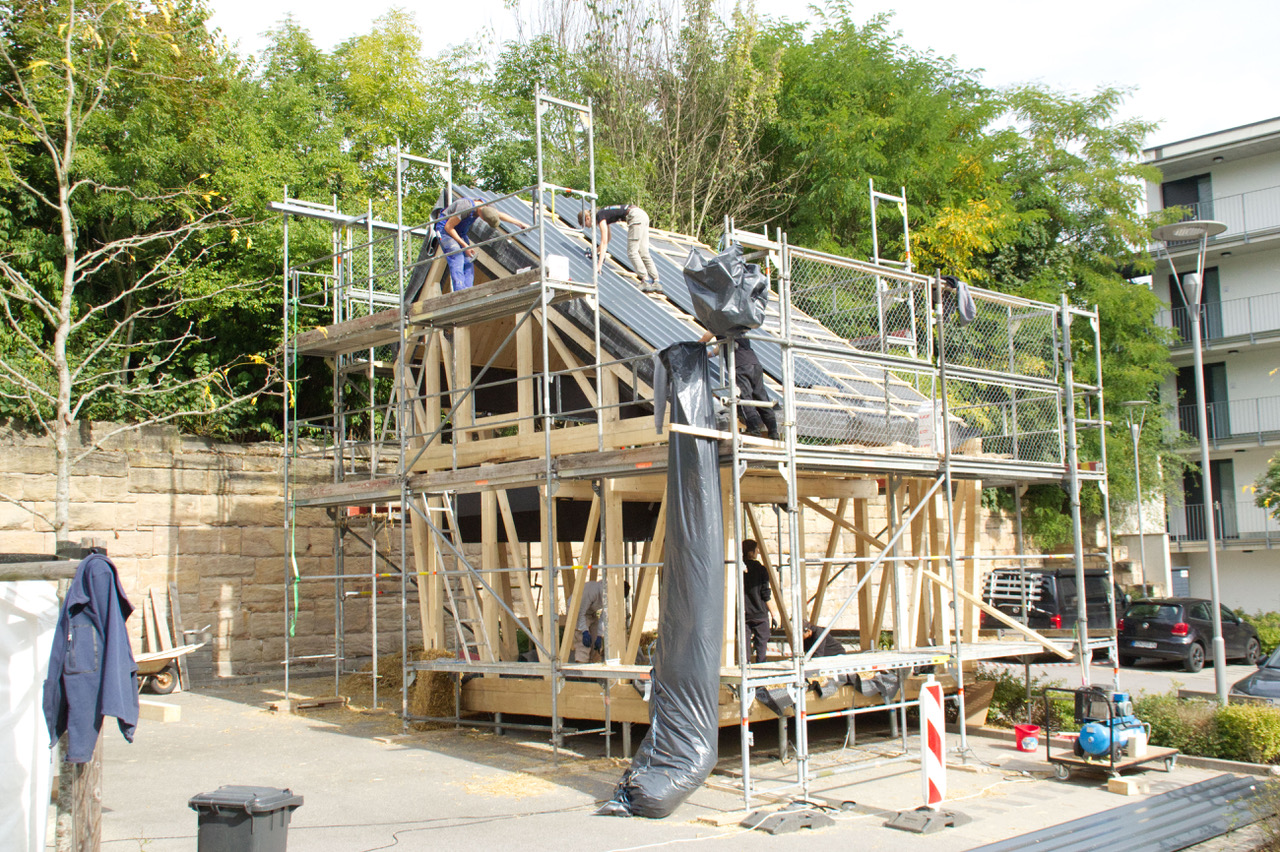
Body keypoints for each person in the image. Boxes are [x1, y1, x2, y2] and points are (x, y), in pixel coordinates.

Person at [435, 197, 530, 292]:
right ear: (480, 214)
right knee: (457, 254)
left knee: (468, 260)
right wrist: (464, 245)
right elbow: (449, 227)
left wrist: (520, 223)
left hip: (459, 232)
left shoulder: (488, 206)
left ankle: (468, 291)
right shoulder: (465, 207)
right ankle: (459, 291)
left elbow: (499, 214)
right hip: (445, 229)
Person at [699, 330, 779, 440]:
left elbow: (706, 337)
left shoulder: (717, 322)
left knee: (745, 397)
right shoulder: (737, 321)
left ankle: (754, 431)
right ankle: (774, 433)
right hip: (754, 363)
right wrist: (710, 354)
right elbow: (723, 346)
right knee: (761, 397)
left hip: (739, 364)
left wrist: (694, 349)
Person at [578, 204, 661, 293]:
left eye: (586, 225)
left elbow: (604, 241)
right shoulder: (603, 213)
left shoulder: (600, 216)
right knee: (643, 251)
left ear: (587, 218)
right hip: (642, 215)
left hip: (635, 216)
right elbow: (609, 237)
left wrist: (599, 265)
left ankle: (645, 280)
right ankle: (656, 281)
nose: (588, 227)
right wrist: (594, 252)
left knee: (632, 252)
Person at [742, 539, 773, 663]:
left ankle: (745, 667)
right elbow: (765, 593)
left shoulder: (737, 568)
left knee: (744, 645)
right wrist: (774, 613)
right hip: (759, 613)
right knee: (762, 645)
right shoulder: (760, 569)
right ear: (751, 552)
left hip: (743, 612)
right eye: (756, 550)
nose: (758, 552)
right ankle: (760, 670)